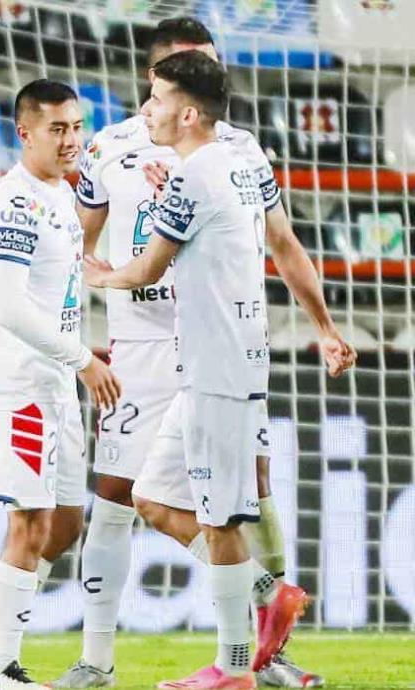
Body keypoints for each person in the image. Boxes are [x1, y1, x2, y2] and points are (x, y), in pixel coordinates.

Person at [51, 18, 355, 690]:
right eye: (195, 64)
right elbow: (77, 239)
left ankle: (258, 656)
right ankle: (97, 660)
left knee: (246, 491)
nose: (210, 74)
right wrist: (65, 330)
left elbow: (282, 243)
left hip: (214, 346)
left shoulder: (238, 151)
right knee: (123, 495)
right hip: (142, 348)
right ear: (159, 75)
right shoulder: (111, 147)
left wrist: (324, 324)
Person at [85, 48, 303, 690]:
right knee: (152, 499)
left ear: (186, 113)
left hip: (218, 370)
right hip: (212, 363)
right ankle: (269, 593)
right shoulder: (229, 164)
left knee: (220, 517)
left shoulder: (195, 176)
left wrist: (98, 276)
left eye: (156, 99)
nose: (145, 110)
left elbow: (146, 269)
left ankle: (233, 668)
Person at [0, 79, 120, 690]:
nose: (71, 140)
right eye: (57, 129)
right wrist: (84, 358)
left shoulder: (62, 193)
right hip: (18, 385)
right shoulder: (14, 201)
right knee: (28, 524)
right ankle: (2, 669)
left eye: (76, 127)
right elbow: (6, 304)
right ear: (24, 133)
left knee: (64, 525)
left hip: (54, 383)